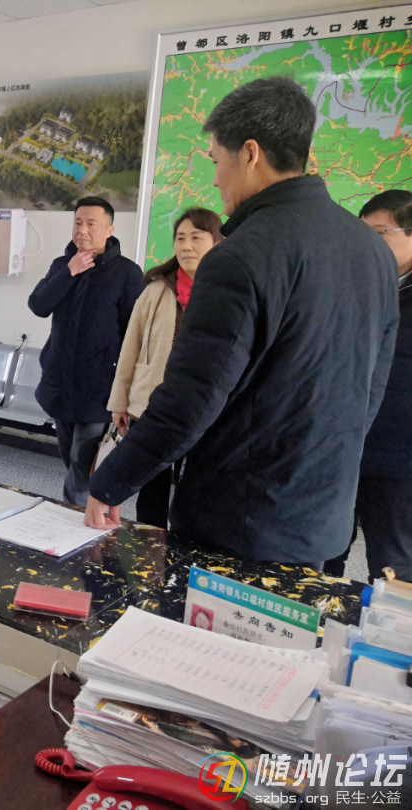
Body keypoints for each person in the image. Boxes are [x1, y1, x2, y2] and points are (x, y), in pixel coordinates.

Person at [85, 77, 399, 568]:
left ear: (250, 154)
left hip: (239, 521)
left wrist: (111, 481)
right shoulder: (371, 250)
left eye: (216, 161)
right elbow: (372, 384)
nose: (215, 179)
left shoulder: (240, 257)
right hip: (324, 512)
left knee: (219, 621)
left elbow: (192, 398)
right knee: (290, 617)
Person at [107, 208, 223, 528]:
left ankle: (185, 548)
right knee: (152, 491)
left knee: (197, 490)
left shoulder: (227, 292)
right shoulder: (156, 290)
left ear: (217, 242)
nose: (186, 246)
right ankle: (150, 549)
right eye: (180, 238)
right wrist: (120, 402)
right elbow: (131, 347)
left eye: (196, 237)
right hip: (153, 406)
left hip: (205, 410)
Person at [29, 196, 144, 506]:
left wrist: (126, 391)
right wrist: (69, 272)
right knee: (71, 458)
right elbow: (39, 305)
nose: (82, 230)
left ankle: (74, 518)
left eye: (91, 224)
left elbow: (134, 334)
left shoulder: (127, 273)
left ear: (109, 230)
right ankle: (80, 511)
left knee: (83, 464)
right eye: (78, 223)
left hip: (98, 387)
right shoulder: (61, 265)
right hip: (60, 382)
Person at [325, 191, 412, 581]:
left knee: (393, 569)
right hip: (341, 450)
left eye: (380, 234)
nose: (368, 247)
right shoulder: (354, 289)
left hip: (398, 462)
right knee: (322, 556)